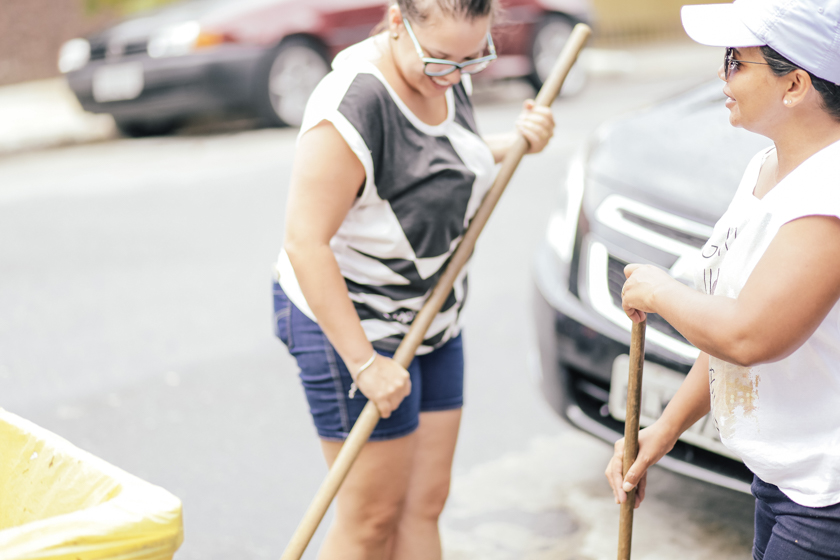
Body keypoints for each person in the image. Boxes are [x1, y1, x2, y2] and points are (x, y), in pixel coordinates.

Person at [272, 0, 555, 557]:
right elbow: (305, 244)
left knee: (426, 503)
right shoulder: (351, 106)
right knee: (372, 518)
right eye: (442, 61)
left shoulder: (449, 68)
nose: (452, 76)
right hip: (353, 322)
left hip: (433, 312)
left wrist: (515, 140)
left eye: (472, 59)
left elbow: (436, 157)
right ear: (398, 23)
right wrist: (364, 364)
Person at [604, 1, 840, 558]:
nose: (721, 73)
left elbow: (749, 335)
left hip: (825, 502)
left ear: (795, 84)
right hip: (780, 481)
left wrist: (662, 293)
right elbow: (728, 324)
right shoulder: (767, 166)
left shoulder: (828, 194)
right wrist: (657, 434)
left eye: (736, 60)